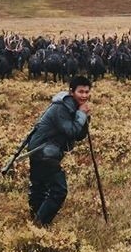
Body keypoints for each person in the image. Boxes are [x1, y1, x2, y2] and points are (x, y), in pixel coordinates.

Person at [27, 75, 92, 226]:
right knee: (59, 190)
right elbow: (71, 132)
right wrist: (81, 114)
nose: (84, 95)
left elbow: (80, 135)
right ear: (71, 92)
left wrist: (84, 117)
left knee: (39, 187)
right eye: (80, 92)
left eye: (87, 92)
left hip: (41, 151)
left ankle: (36, 219)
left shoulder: (72, 106)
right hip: (43, 153)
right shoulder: (61, 108)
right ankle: (40, 224)